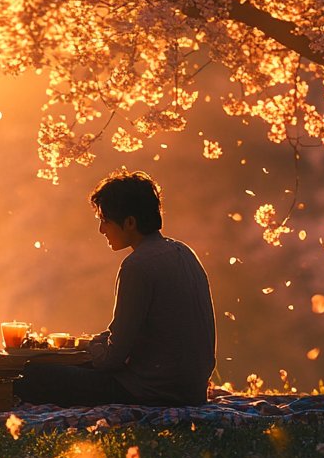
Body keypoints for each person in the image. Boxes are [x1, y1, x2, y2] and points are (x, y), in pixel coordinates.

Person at [15, 170, 216, 407]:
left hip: (152, 393)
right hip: (192, 390)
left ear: (130, 222)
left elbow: (112, 360)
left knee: (32, 375)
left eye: (105, 221)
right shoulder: (184, 252)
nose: (102, 230)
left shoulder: (138, 266)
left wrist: (91, 346)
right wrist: (101, 341)